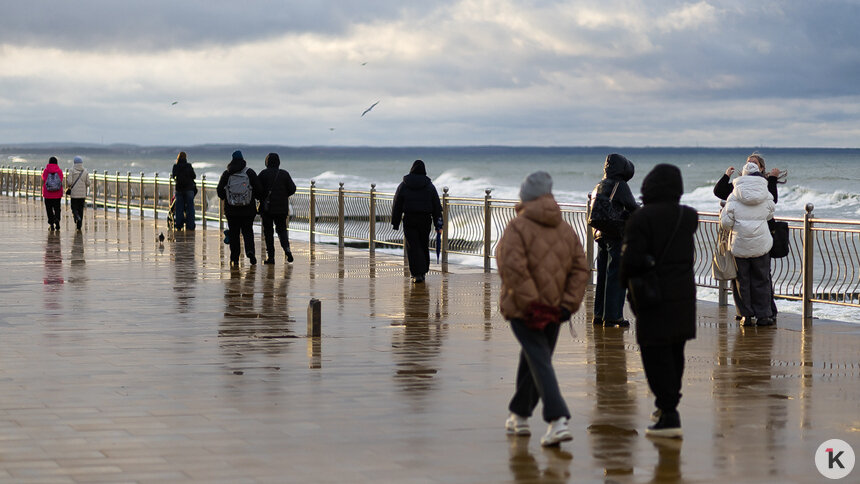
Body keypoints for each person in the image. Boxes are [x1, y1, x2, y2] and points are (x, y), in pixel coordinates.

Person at [495, 171, 589, 447]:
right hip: (556, 310)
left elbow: (511, 268)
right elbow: (580, 269)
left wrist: (531, 304)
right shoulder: (565, 228)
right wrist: (566, 305)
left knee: (539, 360)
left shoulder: (517, 226)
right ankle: (519, 415)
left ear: (525, 197)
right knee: (535, 359)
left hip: (525, 310)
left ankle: (557, 420)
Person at [620, 164, 698, 438]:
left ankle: (668, 415)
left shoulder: (641, 219)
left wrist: (624, 288)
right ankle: (668, 406)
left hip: (652, 297)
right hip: (684, 297)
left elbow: (628, 262)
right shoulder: (687, 217)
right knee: (675, 354)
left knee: (654, 356)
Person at [713, 152, 783, 324]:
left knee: (741, 281)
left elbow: (727, 222)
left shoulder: (734, 193)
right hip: (761, 242)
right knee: (762, 279)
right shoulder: (765, 191)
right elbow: (770, 212)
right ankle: (764, 315)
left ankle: (746, 315)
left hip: (739, 243)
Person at [590, 153, 638, 327]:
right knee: (616, 275)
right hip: (616, 234)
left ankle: (599, 314)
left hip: (599, 232)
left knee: (603, 274)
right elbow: (633, 207)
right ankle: (613, 316)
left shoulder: (600, 184)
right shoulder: (620, 185)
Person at [391, 160, 443, 283]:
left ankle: (416, 273)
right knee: (423, 244)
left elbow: (397, 204)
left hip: (409, 219)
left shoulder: (404, 185)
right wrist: (438, 223)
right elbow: (436, 206)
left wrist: (395, 222)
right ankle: (423, 271)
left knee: (412, 246)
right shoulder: (429, 186)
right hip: (425, 220)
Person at [217, 150, 262, 267]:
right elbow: (258, 190)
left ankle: (235, 258)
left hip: (231, 210)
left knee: (234, 234)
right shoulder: (250, 172)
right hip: (248, 210)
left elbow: (219, 192)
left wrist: (227, 198)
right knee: (248, 232)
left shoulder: (227, 173)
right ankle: (250, 252)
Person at [257, 152, 297, 264]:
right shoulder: (284, 174)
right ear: (278, 162)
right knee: (282, 230)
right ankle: (287, 250)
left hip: (267, 208)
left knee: (268, 233)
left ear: (267, 162)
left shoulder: (263, 174)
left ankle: (271, 257)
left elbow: (257, 189)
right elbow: (292, 188)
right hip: (281, 208)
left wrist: (262, 197)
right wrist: (283, 196)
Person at [170, 151, 197, 230]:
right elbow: (194, 176)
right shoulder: (189, 166)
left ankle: (179, 225)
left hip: (179, 189)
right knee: (190, 208)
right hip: (189, 189)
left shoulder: (175, 166)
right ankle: (190, 226)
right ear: (185, 158)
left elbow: (174, 176)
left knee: (179, 208)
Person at [66, 156, 91, 231]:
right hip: (82, 195)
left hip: (74, 194)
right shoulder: (85, 171)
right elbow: (88, 183)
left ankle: (76, 216)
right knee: (81, 209)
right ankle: (79, 226)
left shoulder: (71, 170)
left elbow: (69, 183)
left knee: (74, 207)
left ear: (74, 163)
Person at [41, 156, 64, 231]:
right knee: (57, 208)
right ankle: (57, 220)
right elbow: (61, 179)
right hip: (57, 194)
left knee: (49, 209)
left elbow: (44, 178)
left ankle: (51, 224)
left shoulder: (46, 171)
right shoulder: (59, 171)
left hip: (48, 194)